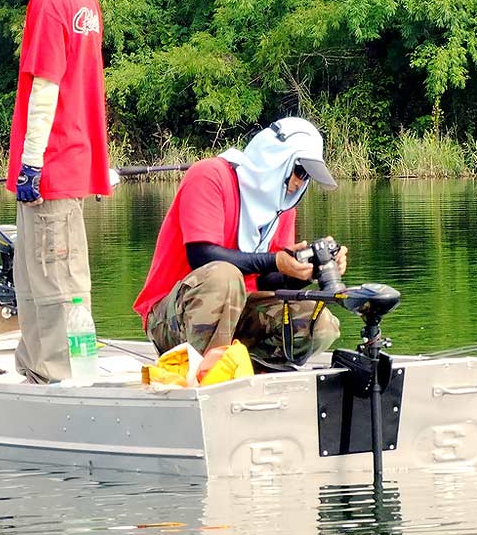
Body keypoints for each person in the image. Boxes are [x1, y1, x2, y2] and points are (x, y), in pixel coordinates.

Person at [0, 0, 111, 383]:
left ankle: (58, 375)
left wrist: (32, 163)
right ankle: (39, 368)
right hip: (73, 160)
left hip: (52, 167)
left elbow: (47, 85)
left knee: (53, 278)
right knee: (41, 275)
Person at [132, 117, 346, 368]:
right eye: (299, 171)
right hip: (173, 318)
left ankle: (247, 369)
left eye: (307, 176)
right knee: (224, 276)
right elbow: (201, 255)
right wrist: (276, 260)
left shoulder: (283, 207)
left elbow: (267, 280)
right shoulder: (210, 175)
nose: (300, 182)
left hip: (238, 310)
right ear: (276, 160)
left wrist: (304, 270)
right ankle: (210, 373)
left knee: (319, 323)